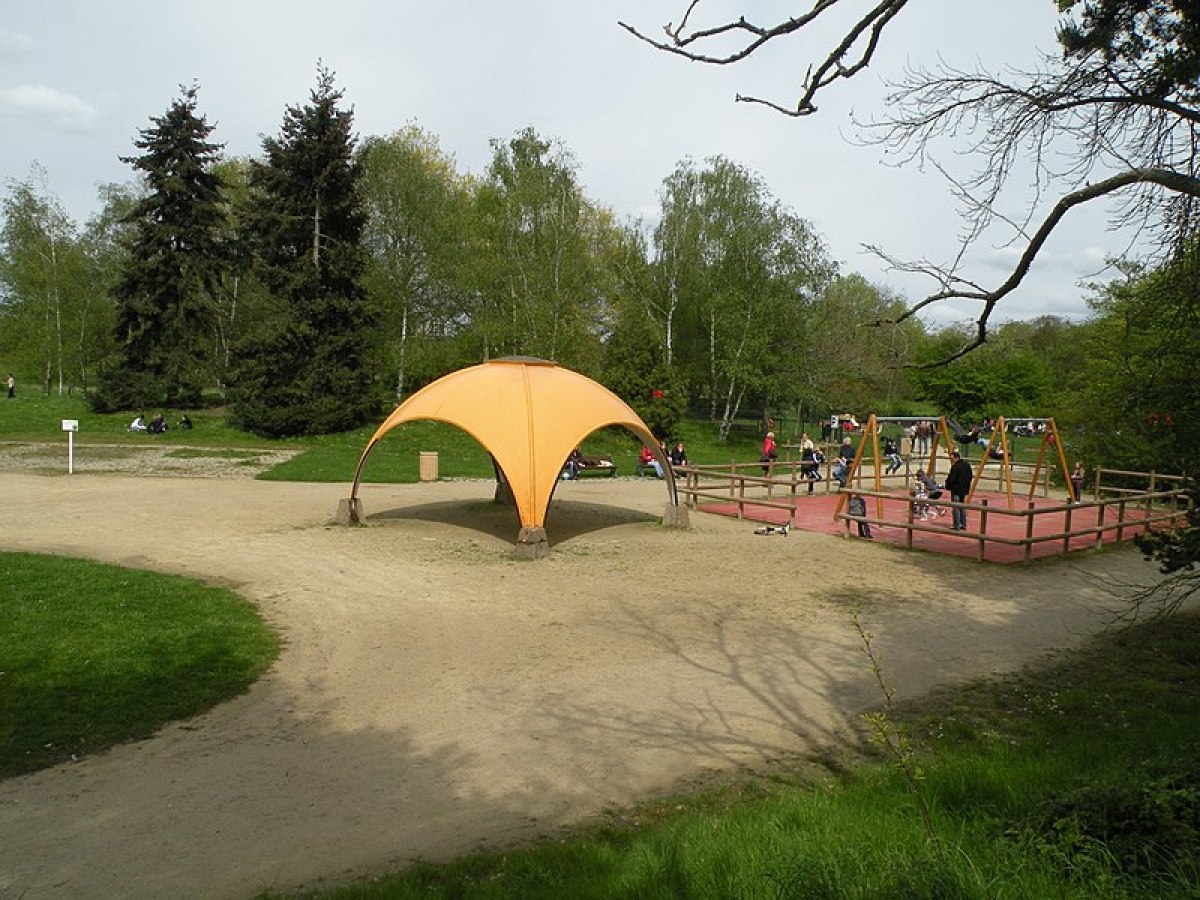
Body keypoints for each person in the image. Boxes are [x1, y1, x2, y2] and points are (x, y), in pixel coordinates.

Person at [945, 450, 973, 531]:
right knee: (962, 506)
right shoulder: (967, 465)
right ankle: (963, 524)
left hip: (956, 489)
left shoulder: (956, 466)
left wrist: (948, 486)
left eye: (952, 458)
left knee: (956, 507)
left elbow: (952, 478)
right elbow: (970, 476)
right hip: (964, 489)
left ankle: (957, 525)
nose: (951, 460)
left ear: (955, 457)